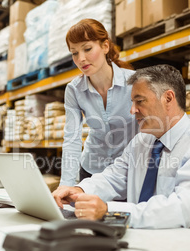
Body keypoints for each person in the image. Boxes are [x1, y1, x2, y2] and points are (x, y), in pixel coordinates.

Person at [52, 64, 190, 235]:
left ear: (168, 98)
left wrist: (109, 210)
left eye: (139, 101)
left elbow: (184, 210)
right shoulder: (141, 142)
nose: (132, 110)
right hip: (147, 241)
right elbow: (113, 178)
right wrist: (80, 190)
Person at [59, 19, 139, 186]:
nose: (81, 59)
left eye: (87, 49)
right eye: (74, 53)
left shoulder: (134, 82)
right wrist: (66, 185)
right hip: (91, 170)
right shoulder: (74, 90)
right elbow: (72, 139)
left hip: (127, 171)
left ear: (105, 46)